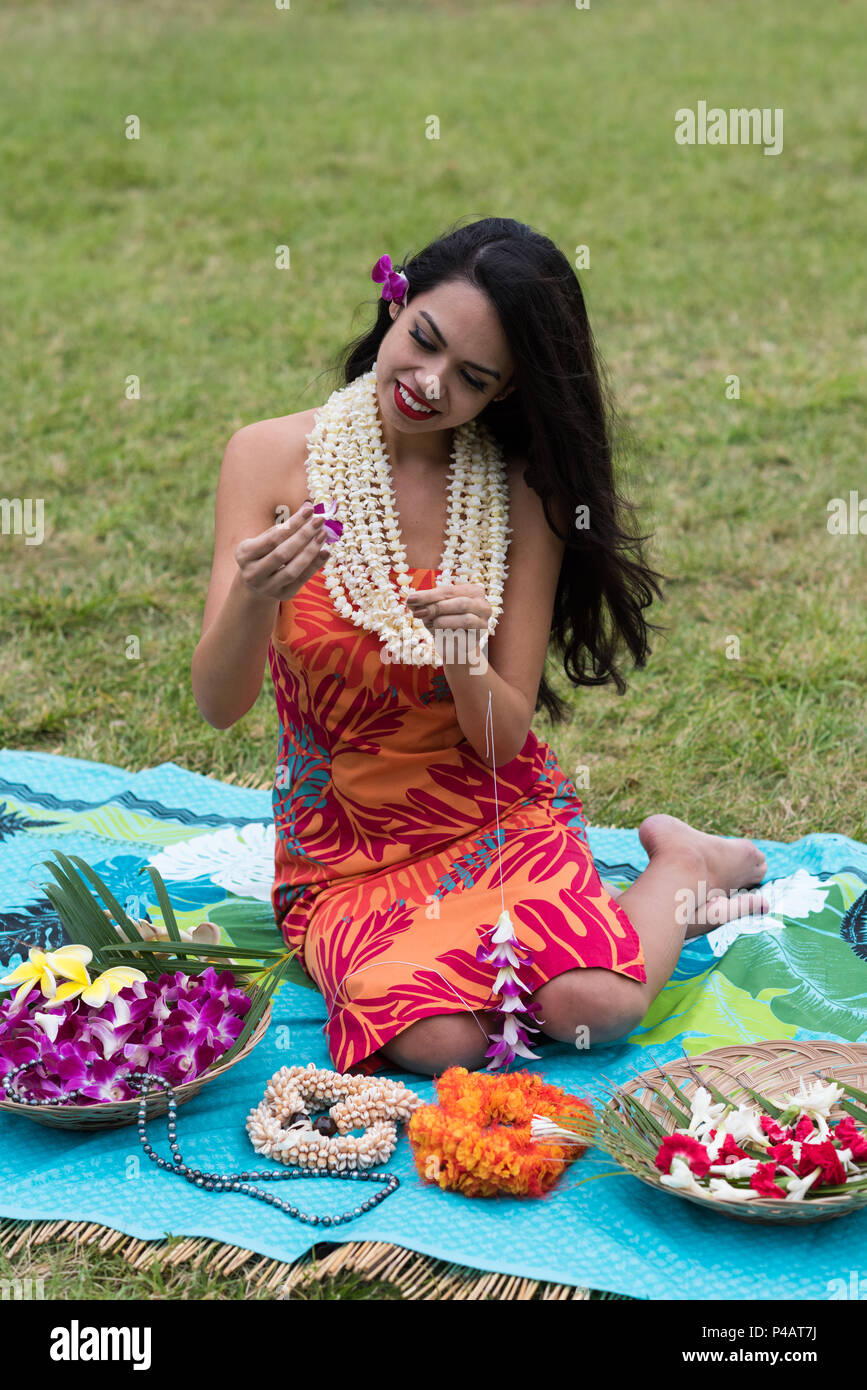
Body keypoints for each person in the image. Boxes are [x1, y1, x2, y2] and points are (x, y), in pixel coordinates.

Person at [192, 216, 769, 1077]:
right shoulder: (267, 457)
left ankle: (683, 865)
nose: (427, 384)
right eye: (421, 341)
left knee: (592, 1008)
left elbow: (501, 740)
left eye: (471, 378)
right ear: (396, 301)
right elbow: (217, 703)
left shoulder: (518, 495)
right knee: (437, 1043)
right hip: (343, 851)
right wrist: (255, 599)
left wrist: (463, 655)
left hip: (489, 811)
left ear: (504, 393)